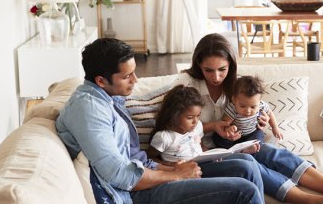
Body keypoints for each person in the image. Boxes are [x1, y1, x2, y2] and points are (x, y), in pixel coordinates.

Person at [55, 38, 263, 204]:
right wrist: (177, 175)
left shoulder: (108, 98)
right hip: (135, 192)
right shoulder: (89, 110)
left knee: (246, 165)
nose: (135, 80)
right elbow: (119, 175)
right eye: (127, 76)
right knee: (244, 191)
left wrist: (173, 168)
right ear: (101, 80)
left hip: (148, 171)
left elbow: (135, 159)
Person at [175, 33, 323, 203]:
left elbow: (255, 113)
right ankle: (307, 200)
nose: (216, 77)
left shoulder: (237, 85)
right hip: (202, 152)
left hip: (234, 143)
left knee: (267, 151)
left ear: (231, 64)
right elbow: (174, 125)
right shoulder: (186, 85)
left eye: (222, 69)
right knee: (250, 162)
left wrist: (262, 122)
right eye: (208, 70)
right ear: (199, 65)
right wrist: (213, 126)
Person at [213, 75, 283, 149]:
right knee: (217, 137)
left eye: (253, 107)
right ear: (234, 100)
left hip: (251, 133)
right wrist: (229, 129)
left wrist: (275, 128)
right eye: (242, 106)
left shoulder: (261, 105)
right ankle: (233, 150)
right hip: (235, 136)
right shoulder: (232, 108)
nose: (248, 111)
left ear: (259, 101)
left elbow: (270, 113)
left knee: (258, 136)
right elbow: (225, 123)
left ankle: (250, 149)